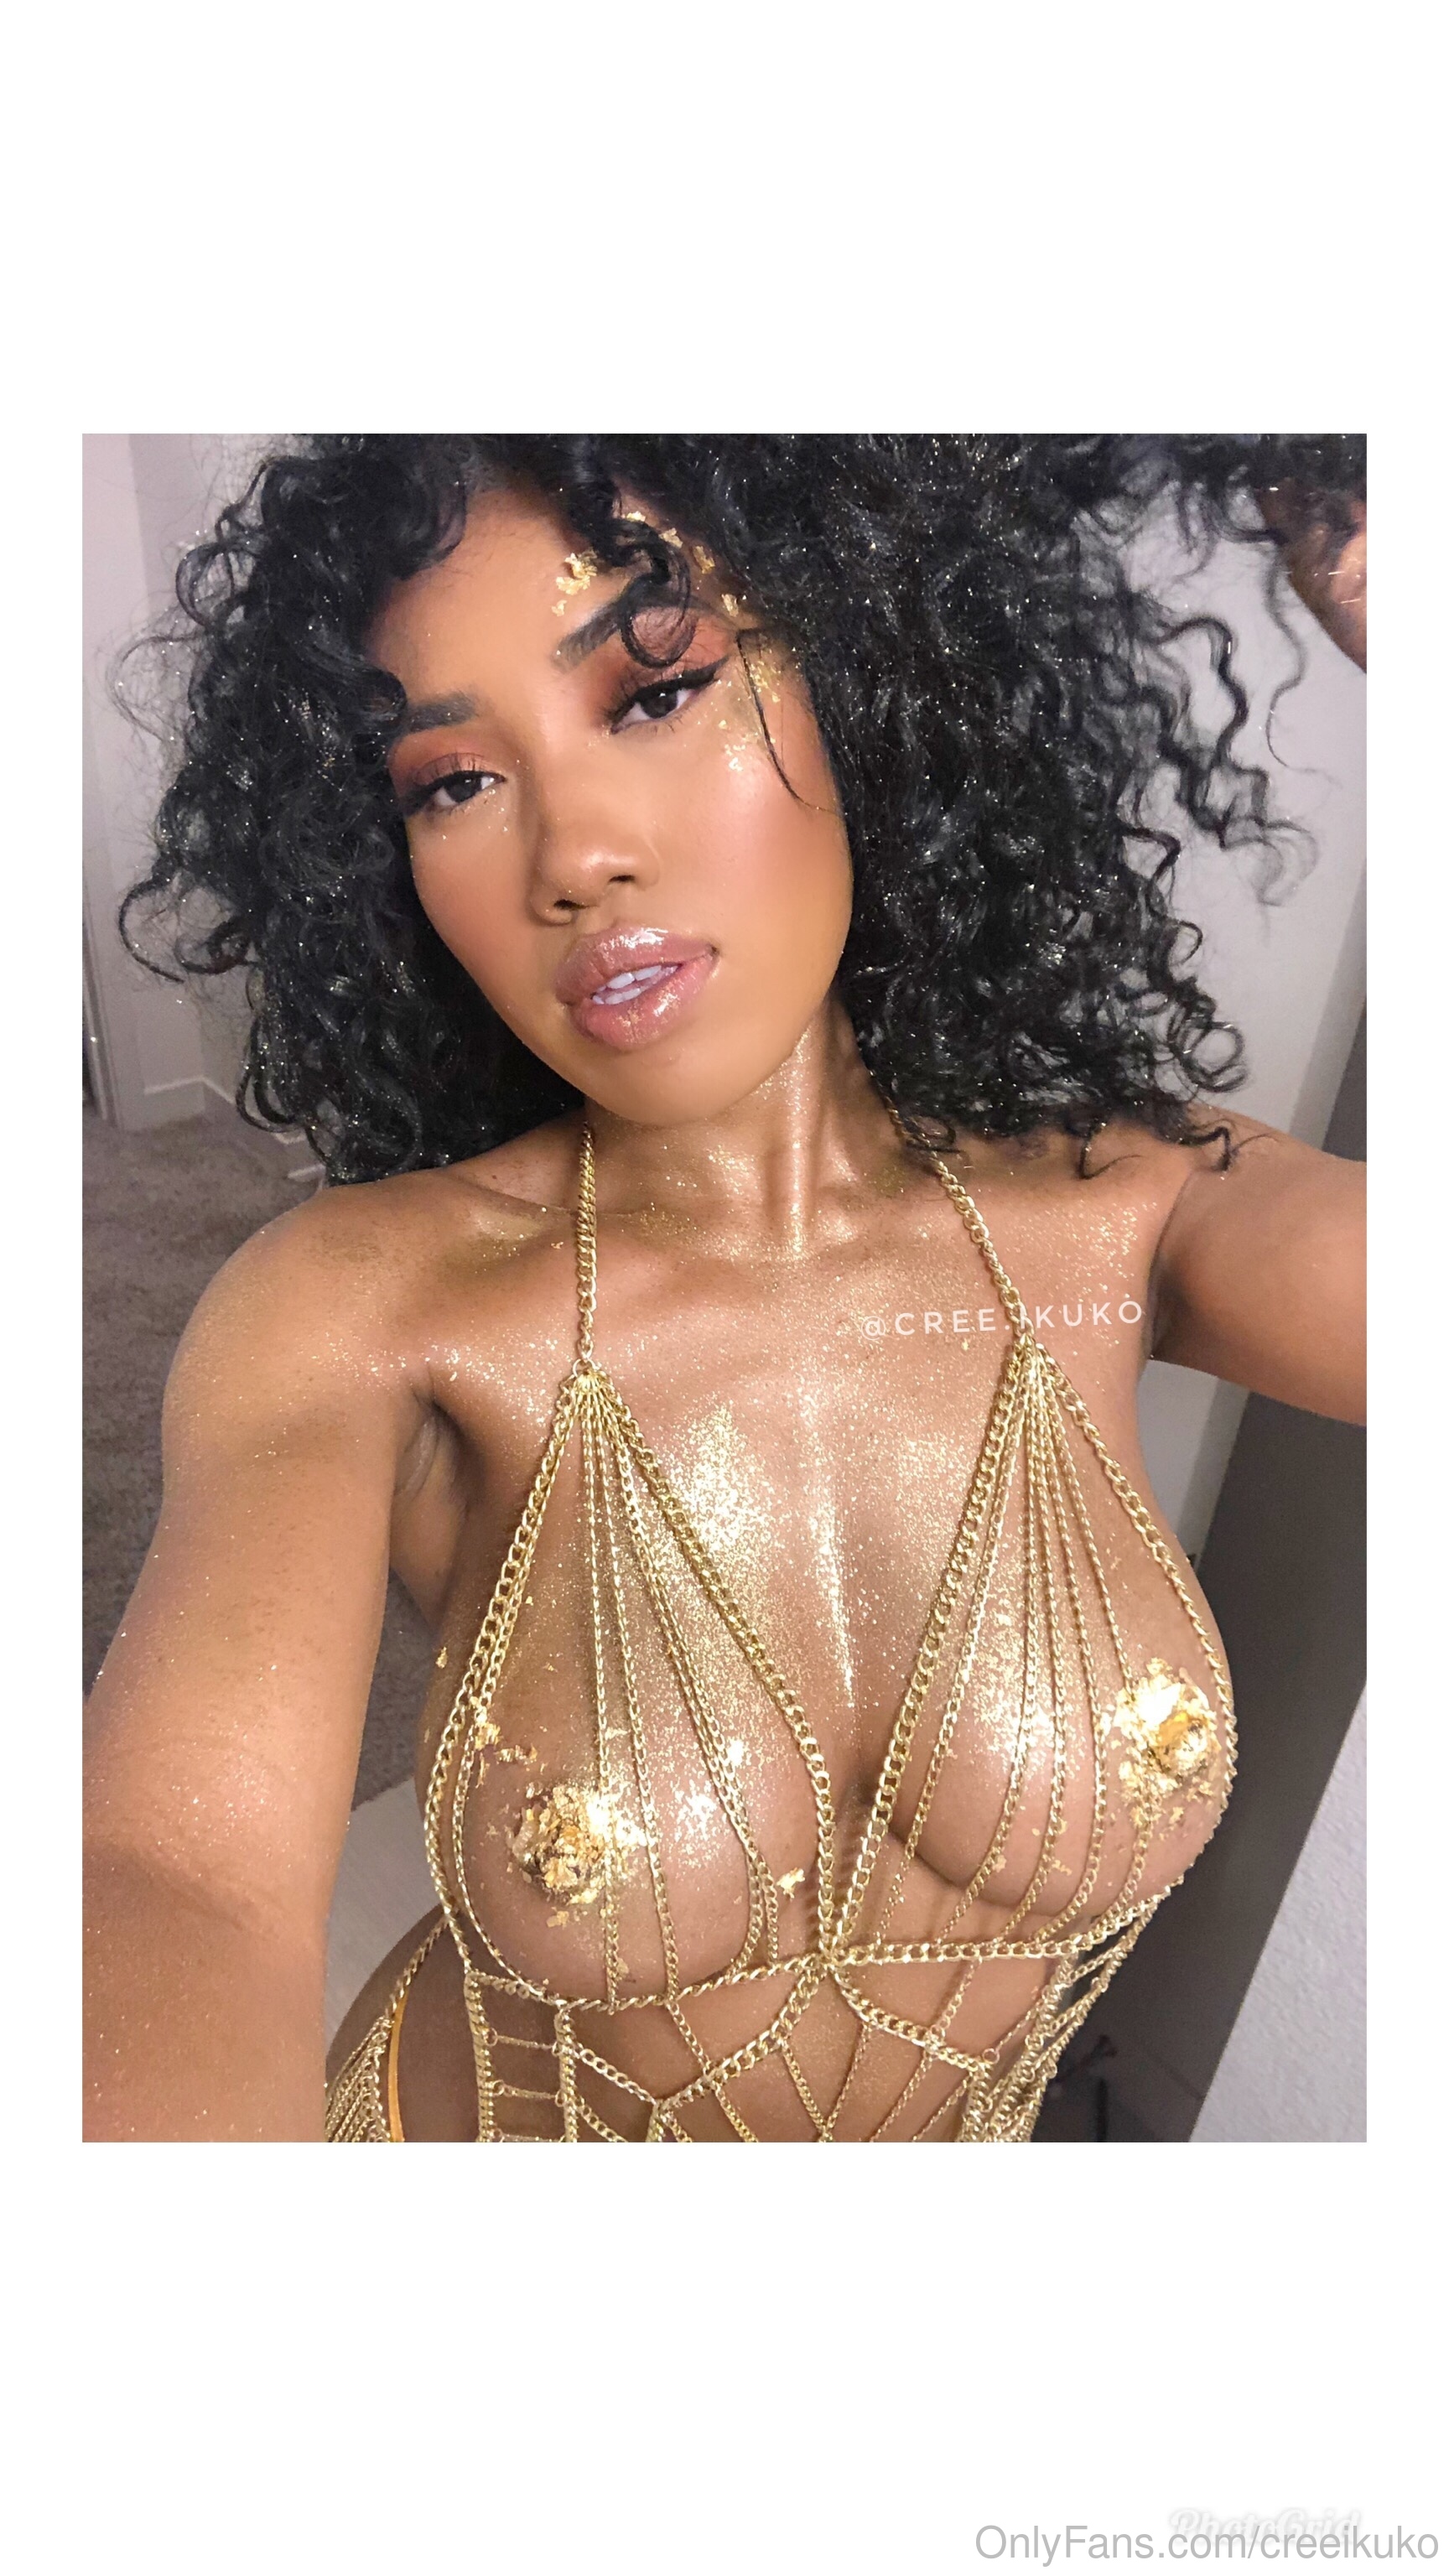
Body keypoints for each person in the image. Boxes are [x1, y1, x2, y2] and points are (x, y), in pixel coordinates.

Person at [84, 436, 1366, 2142]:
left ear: (876, 679)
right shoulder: (365, 1308)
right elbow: (172, 1876)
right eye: (453, 783)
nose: (573, 855)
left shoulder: (1135, 1203)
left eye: (656, 689)